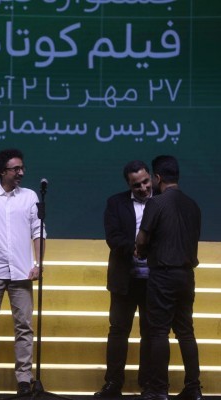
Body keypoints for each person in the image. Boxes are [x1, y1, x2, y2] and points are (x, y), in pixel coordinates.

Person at [0, 149, 45, 395]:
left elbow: (38, 231)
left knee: (24, 326)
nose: (21, 172)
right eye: (16, 169)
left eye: (22, 168)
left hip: (22, 271)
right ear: (2, 171)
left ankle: (24, 379)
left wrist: (39, 264)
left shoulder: (30, 196)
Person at [135, 155, 202, 400]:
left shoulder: (156, 203)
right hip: (186, 275)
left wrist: (141, 251)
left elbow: (142, 239)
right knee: (186, 332)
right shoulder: (193, 205)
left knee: (159, 332)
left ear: (157, 177)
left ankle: (159, 389)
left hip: (163, 275)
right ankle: (193, 388)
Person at [95, 160, 152, 398]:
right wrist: (134, 249)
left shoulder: (162, 201)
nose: (143, 188)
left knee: (151, 333)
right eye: (137, 185)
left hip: (154, 281)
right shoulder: (115, 203)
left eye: (146, 182)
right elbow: (113, 237)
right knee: (118, 332)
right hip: (124, 279)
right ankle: (113, 384)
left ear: (151, 178)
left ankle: (149, 385)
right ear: (129, 185)